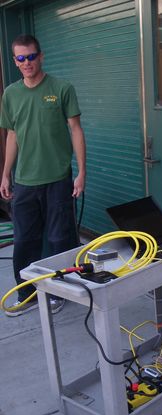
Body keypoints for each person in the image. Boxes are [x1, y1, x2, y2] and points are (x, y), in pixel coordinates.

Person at [0, 34, 86, 317]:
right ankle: (27, 294)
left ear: (41, 56)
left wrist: (81, 172)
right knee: (25, 241)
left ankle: (61, 291)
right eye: (21, 58)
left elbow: (75, 129)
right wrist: (5, 174)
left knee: (60, 239)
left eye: (31, 56)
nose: (27, 63)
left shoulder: (61, 88)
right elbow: (12, 135)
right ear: (15, 61)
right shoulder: (11, 94)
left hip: (58, 179)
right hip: (25, 181)